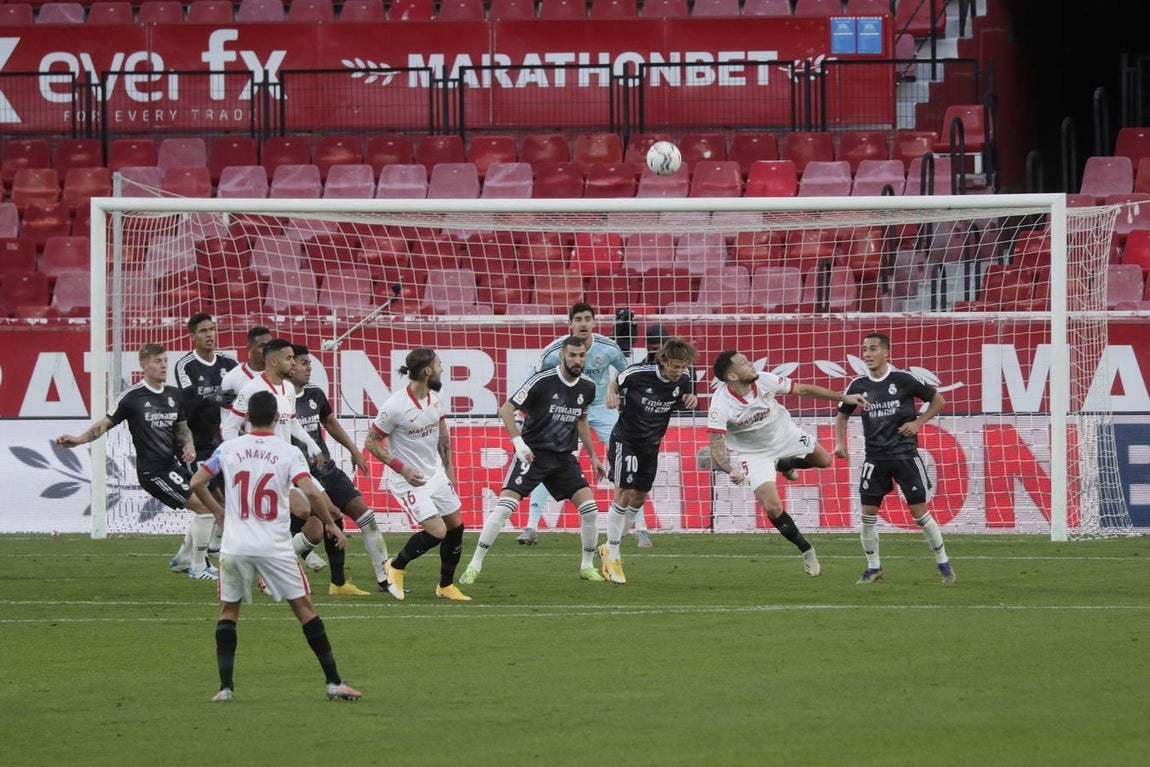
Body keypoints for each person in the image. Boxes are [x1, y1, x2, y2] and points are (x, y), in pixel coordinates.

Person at [190, 390, 362, 703]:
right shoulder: (287, 452)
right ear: (277, 418)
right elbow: (311, 492)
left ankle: (225, 688)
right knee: (305, 610)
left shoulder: (228, 449)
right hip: (274, 546)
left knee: (228, 612)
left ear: (246, 418)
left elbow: (196, 482)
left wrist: (218, 512)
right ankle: (334, 682)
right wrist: (330, 523)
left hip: (236, 545)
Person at [56, 343, 219, 580]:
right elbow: (104, 423)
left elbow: (182, 429)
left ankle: (183, 560)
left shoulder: (174, 395)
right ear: (143, 365)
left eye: (165, 360)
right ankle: (198, 567)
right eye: (157, 361)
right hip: (153, 472)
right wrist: (79, 439)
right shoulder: (132, 397)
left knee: (208, 507)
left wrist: (189, 446)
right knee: (205, 510)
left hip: (172, 466)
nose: (163, 365)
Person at [708, 350, 868, 577]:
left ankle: (783, 464)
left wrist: (844, 397)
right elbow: (716, 448)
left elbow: (803, 390)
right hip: (755, 454)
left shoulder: (765, 380)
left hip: (786, 435)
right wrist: (730, 469)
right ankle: (806, 549)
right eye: (744, 363)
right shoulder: (721, 405)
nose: (751, 364)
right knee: (772, 508)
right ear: (732, 376)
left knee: (824, 461)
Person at [461, 336, 606, 584]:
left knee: (590, 510)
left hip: (563, 458)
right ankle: (474, 565)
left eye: (582, 356)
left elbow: (582, 419)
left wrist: (593, 455)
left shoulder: (587, 387)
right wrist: (519, 444)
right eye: (572, 355)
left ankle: (587, 566)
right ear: (562, 356)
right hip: (533, 454)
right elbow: (506, 409)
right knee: (503, 508)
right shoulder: (542, 381)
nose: (577, 360)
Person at [833, 332, 955, 584]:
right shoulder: (857, 385)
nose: (867, 354)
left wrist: (918, 423)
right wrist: (840, 442)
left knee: (919, 513)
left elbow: (938, 400)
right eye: (864, 349)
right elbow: (842, 414)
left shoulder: (903, 379)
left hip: (905, 455)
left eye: (873, 349)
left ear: (886, 352)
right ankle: (873, 567)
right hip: (874, 458)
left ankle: (943, 563)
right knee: (867, 515)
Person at [517, 303, 633, 546]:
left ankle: (634, 525)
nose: (583, 323)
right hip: (565, 408)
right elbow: (532, 384)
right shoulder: (554, 352)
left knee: (625, 455)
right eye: (578, 319)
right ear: (570, 324)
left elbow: (629, 377)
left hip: (601, 407)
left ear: (594, 323)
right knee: (547, 461)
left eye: (587, 319)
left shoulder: (609, 348)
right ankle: (531, 526)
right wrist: (523, 417)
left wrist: (615, 391)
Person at [363, 348, 470, 601]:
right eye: (439, 365)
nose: (442, 369)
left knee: (455, 526)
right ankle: (395, 566)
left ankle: (445, 586)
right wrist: (402, 469)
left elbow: (443, 435)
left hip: (435, 474)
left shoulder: (435, 399)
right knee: (437, 531)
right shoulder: (395, 406)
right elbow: (371, 442)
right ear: (427, 371)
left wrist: (449, 470)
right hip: (408, 480)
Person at [288, 344, 390, 595]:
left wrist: (354, 450)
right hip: (302, 477)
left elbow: (330, 421)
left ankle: (385, 579)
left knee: (366, 516)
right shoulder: (279, 400)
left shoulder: (315, 394)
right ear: (288, 365)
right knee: (322, 525)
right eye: (303, 362)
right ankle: (274, 565)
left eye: (309, 363)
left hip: (327, 470)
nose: (308, 368)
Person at [221, 339, 330, 569]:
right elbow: (229, 427)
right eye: (289, 358)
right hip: (264, 469)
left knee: (320, 523)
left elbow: (292, 422)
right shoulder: (251, 389)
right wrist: (240, 457)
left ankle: (276, 556)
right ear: (273, 362)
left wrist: (313, 445)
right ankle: (273, 558)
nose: (293, 363)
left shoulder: (288, 388)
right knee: (303, 510)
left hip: (286, 464)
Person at [599, 337, 698, 584]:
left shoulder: (684, 379)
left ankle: (610, 546)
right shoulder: (638, 374)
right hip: (625, 440)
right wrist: (611, 394)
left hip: (651, 445)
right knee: (624, 492)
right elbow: (615, 383)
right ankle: (613, 555)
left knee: (639, 497)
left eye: (683, 367)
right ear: (663, 361)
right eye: (675, 366)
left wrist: (690, 399)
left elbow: (682, 399)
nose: (679, 371)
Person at [169, 312, 238, 575]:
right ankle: (202, 562)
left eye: (212, 329)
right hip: (196, 445)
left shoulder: (229, 363)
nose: (209, 334)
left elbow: (241, 394)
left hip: (224, 442)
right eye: (203, 331)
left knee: (228, 504)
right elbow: (187, 401)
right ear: (193, 336)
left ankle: (184, 556)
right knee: (212, 505)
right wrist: (214, 397)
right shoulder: (185, 365)